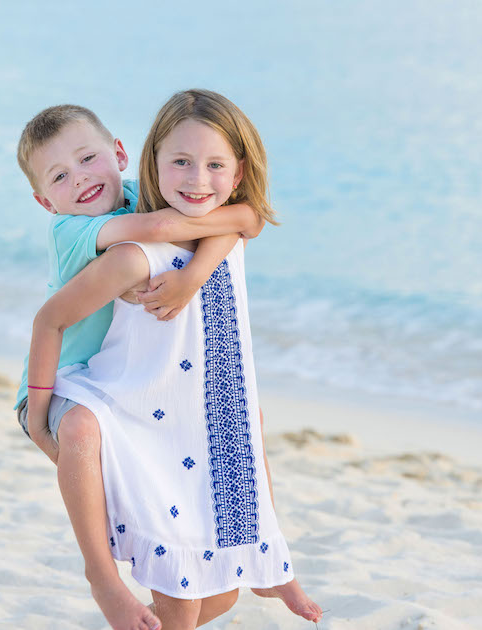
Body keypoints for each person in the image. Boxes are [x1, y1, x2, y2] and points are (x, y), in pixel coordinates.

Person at [27, 89, 323, 629]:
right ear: (45, 200)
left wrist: (192, 275)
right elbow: (167, 232)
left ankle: (262, 549)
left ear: (120, 154)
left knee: (244, 424)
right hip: (66, 378)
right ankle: (103, 578)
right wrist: (35, 415)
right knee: (79, 433)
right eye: (59, 177)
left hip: (138, 380)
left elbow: (243, 221)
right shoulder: (81, 229)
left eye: (87, 159)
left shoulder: (152, 193)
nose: (79, 179)